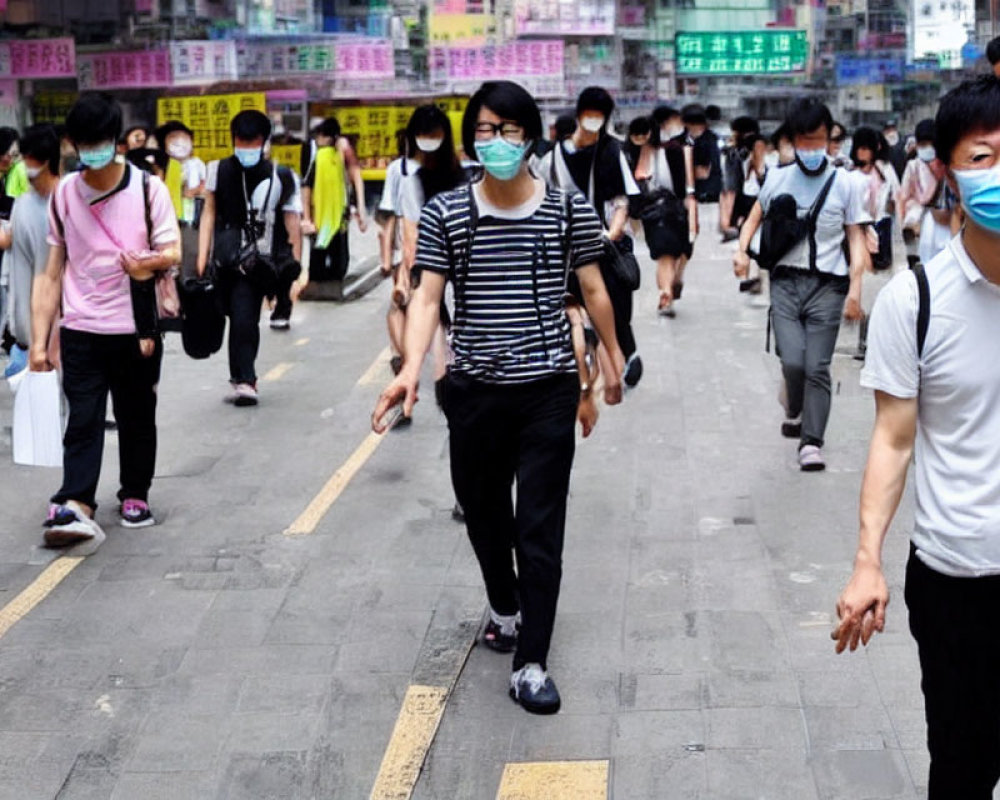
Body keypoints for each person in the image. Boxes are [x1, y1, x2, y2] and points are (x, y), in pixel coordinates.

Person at [372, 80, 626, 715]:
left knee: (541, 527)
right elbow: (429, 296)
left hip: (546, 390)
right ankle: (504, 607)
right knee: (483, 513)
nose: (497, 143)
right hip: (475, 391)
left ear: (530, 137)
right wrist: (408, 369)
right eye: (485, 131)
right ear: (471, 140)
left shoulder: (568, 210)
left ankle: (531, 660)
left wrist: (612, 357)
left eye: (509, 131)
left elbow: (594, 290)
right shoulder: (446, 213)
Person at [833, 75, 1000, 799]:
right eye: (985, 155)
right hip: (957, 575)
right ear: (947, 172)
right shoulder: (916, 300)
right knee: (961, 767)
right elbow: (893, 440)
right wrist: (867, 560)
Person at [30, 93, 180, 546]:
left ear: (115, 141)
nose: (93, 150)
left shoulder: (148, 189)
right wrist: (39, 341)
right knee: (83, 417)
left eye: (102, 141)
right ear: (71, 143)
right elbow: (51, 270)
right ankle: (76, 502)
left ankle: (135, 493)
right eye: (84, 142)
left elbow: (173, 252)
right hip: (80, 327)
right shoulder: (63, 196)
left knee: (136, 415)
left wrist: (144, 265)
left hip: (135, 327)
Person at [733, 97, 869, 472]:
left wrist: (856, 289)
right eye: (805, 140)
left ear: (830, 139)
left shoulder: (845, 183)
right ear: (793, 140)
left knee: (818, 366)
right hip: (786, 283)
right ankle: (793, 404)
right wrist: (741, 253)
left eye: (820, 139)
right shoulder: (777, 179)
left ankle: (811, 442)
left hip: (829, 285)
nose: (813, 148)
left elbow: (856, 237)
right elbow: (752, 220)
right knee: (793, 361)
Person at [539, 87, 643, 387]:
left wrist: (612, 232)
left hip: (607, 242)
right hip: (568, 247)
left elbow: (623, 198)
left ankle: (625, 352)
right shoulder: (554, 157)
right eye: (590, 114)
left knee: (616, 302)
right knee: (582, 303)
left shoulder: (613, 150)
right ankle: (607, 363)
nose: (594, 120)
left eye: (600, 116)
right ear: (579, 115)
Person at [197, 110, 303, 404]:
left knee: (245, 317)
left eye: (252, 142)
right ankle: (239, 374)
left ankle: (245, 378)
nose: (246, 148)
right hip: (223, 259)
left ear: (264, 142)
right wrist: (201, 257)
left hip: (256, 262)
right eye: (241, 142)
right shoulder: (217, 169)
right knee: (229, 314)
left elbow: (291, 220)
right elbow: (209, 212)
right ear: (233, 140)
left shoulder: (279, 175)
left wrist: (295, 266)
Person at [0, 125, 60, 367]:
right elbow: (10, 240)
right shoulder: (23, 204)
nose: (21, 165)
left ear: (45, 161)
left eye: (26, 158)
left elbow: (50, 274)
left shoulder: (66, 200)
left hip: (59, 326)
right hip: (25, 329)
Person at [625, 114, 697, 317]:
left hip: (675, 212)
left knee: (677, 255)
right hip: (651, 217)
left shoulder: (672, 151)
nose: (640, 137)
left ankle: (671, 286)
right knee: (665, 256)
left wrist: (691, 214)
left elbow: (684, 187)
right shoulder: (629, 155)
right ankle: (666, 293)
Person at [849, 126, 901, 360]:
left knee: (878, 289)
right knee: (861, 284)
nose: (863, 153)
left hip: (881, 230)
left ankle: (873, 339)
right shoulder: (849, 173)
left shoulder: (885, 171)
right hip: (856, 231)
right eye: (860, 148)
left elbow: (896, 199)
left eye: (867, 148)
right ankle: (863, 340)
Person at [301, 117, 367, 290]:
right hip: (321, 215)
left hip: (337, 214)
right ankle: (321, 281)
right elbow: (307, 186)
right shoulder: (316, 153)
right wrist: (307, 217)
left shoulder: (341, 151)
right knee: (321, 252)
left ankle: (329, 281)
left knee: (337, 254)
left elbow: (355, 176)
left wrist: (360, 208)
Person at [376, 130, 418, 373]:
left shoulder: (397, 168)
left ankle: (398, 352)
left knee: (400, 301)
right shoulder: (400, 168)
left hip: (407, 235)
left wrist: (386, 258)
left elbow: (389, 214)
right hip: (416, 235)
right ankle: (402, 355)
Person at [898, 119, 953, 267]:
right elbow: (904, 196)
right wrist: (908, 221)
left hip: (946, 219)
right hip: (920, 220)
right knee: (923, 260)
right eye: (922, 144)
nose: (926, 148)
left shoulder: (948, 165)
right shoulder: (913, 166)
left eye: (930, 143)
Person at [683, 104, 722, 203]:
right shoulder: (711, 138)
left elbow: (702, 173)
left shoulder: (703, 143)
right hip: (710, 193)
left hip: (705, 196)